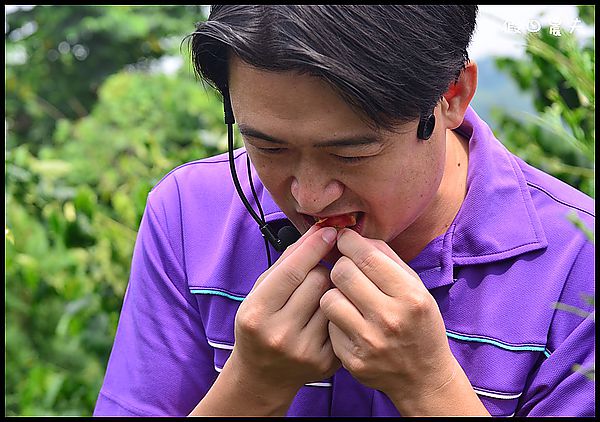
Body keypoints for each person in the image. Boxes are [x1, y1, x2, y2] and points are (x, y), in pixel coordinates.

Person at [93, 5, 594, 417]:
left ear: (451, 96)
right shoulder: (187, 215)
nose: (309, 197)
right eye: (268, 148)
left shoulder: (579, 263)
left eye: (351, 154)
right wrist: (252, 387)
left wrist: (429, 388)